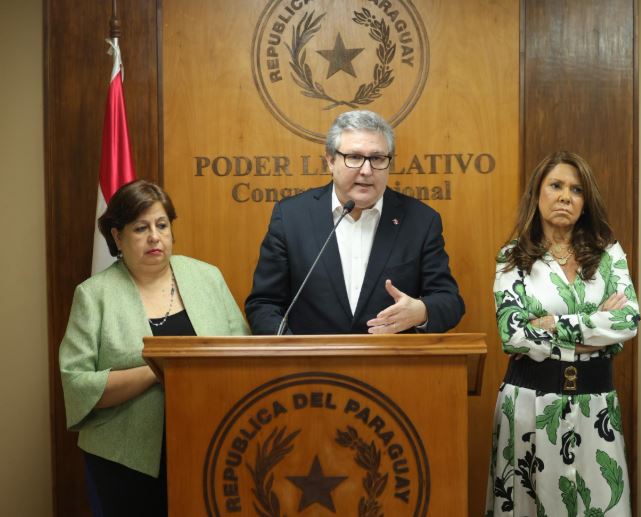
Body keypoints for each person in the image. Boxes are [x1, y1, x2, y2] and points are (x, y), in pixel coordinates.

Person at [58, 180, 249, 516]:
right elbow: (77, 384)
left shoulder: (206, 277)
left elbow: (242, 354)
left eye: (162, 225)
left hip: (210, 443)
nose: (154, 237)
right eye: (140, 228)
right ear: (117, 237)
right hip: (124, 457)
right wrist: (157, 369)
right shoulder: (94, 295)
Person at [486, 151, 640, 516]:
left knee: (600, 505)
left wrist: (554, 323)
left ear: (585, 204)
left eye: (576, 190)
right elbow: (513, 335)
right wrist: (595, 323)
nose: (565, 196)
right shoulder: (512, 258)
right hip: (527, 404)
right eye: (555, 186)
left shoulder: (609, 256)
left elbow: (628, 322)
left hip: (596, 405)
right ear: (538, 194)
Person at [245, 110, 464, 335]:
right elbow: (263, 304)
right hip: (310, 367)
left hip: (393, 365)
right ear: (330, 160)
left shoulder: (421, 220)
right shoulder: (292, 217)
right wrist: (293, 351)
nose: (366, 170)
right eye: (355, 158)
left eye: (377, 159)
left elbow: (449, 302)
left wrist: (422, 311)